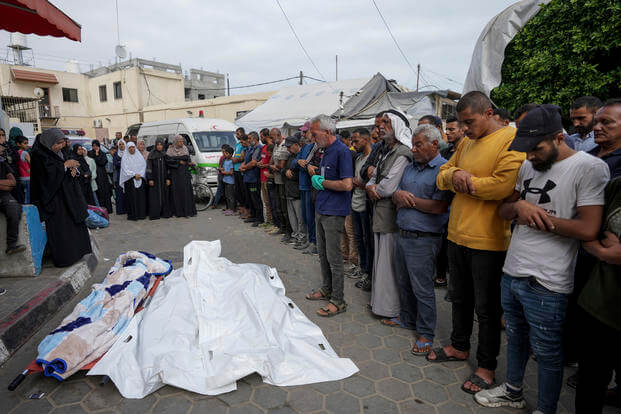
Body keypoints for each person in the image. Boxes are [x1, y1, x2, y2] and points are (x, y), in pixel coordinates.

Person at [474, 104, 609, 413]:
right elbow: (504, 210)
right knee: (517, 340)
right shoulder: (527, 166)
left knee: (548, 354)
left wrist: (534, 216)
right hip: (514, 269)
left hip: (549, 280)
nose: (531, 156)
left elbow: (589, 228)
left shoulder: (589, 168)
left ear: (559, 138)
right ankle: (512, 391)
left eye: (536, 149)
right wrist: (519, 208)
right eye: (527, 150)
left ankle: (546, 408)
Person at [431, 91, 526, 394]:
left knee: (486, 309)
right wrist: (457, 173)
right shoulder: (466, 142)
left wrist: (466, 183)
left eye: (469, 122)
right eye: (461, 123)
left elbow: (503, 186)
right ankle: (459, 346)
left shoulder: (511, 139)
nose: (465, 128)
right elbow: (441, 176)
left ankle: (486, 366)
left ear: (488, 113)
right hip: (457, 234)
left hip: (490, 241)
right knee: (458, 298)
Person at [393, 124, 451, 355]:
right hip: (404, 233)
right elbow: (398, 193)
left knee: (422, 288)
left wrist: (410, 200)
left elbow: (439, 206)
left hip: (424, 238)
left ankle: (426, 333)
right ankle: (407, 319)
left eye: (418, 145)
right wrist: (398, 195)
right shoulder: (411, 167)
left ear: (434, 145)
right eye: (413, 144)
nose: (414, 149)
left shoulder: (443, 170)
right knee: (404, 282)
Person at [576, 176, 621, 413]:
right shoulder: (616, 186)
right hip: (599, 303)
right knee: (591, 379)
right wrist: (607, 254)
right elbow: (588, 231)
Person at [366, 111, 413, 323]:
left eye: (387, 122)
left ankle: (390, 308)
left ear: (397, 125)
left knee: (389, 263)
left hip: (391, 216)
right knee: (380, 260)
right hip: (380, 213)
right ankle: (380, 303)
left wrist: (375, 188)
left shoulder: (403, 152)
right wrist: (372, 187)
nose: (381, 126)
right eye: (381, 123)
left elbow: (388, 186)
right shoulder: (387, 150)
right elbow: (372, 179)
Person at [305, 114, 353, 317]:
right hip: (322, 208)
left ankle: (338, 300)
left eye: (314, 134)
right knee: (323, 254)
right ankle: (327, 289)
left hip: (334, 212)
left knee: (334, 258)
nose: (312, 138)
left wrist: (321, 182)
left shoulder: (342, 151)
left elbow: (347, 184)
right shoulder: (325, 150)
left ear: (326, 131)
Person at [30, 128, 91, 267]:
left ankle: (78, 253)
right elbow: (44, 179)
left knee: (75, 227)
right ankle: (65, 259)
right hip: (54, 200)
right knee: (62, 230)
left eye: (62, 143)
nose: (60, 146)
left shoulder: (60, 152)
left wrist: (73, 171)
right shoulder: (39, 155)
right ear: (49, 142)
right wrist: (64, 166)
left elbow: (64, 168)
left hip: (68, 197)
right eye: (57, 143)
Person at [437, 116, 466, 289]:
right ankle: (441, 276)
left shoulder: (467, 152)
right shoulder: (446, 152)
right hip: (444, 203)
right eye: (446, 129)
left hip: (460, 206)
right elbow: (441, 176)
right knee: (443, 245)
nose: (447, 133)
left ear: (462, 130)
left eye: (452, 129)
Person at [350, 128, 374, 289]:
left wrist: (361, 184)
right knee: (359, 238)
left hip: (366, 206)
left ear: (366, 140)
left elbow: (378, 184)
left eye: (356, 141)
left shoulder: (372, 160)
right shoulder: (358, 158)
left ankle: (368, 273)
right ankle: (362, 267)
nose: (353, 144)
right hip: (355, 204)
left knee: (367, 240)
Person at [0, 143, 25, 255]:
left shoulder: (3, 164)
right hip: (4, 193)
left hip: (4, 195)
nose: (2, 149)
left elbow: (13, 182)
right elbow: (8, 183)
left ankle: (11, 245)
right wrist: (5, 184)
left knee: (14, 209)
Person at [166, 135, 196, 218]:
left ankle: (187, 211)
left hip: (184, 174)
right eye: (179, 141)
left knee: (186, 192)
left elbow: (187, 159)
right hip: (175, 175)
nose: (181, 143)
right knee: (176, 193)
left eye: (182, 141)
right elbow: (169, 161)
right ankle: (178, 212)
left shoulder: (185, 148)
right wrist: (179, 162)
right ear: (175, 141)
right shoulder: (170, 150)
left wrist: (177, 159)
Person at [271, 128, 292, 241]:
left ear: (278, 135)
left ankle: (289, 231)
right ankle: (282, 227)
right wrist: (273, 166)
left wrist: (275, 166)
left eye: (272, 137)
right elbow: (273, 161)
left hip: (284, 180)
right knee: (279, 206)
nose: (272, 139)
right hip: (277, 179)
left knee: (284, 208)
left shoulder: (284, 146)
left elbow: (281, 165)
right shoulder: (276, 146)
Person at [284, 134, 306, 246]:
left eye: (289, 146)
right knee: (292, 217)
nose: (288, 149)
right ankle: (295, 235)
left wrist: (290, 174)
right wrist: (286, 171)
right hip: (289, 190)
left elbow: (301, 174)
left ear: (297, 145)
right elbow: (284, 169)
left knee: (300, 217)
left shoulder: (302, 155)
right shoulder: (290, 156)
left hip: (297, 191)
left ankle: (301, 238)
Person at [240, 131, 263, 226]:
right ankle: (253, 215)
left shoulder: (258, 148)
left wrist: (244, 167)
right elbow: (245, 161)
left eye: (249, 138)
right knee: (250, 198)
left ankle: (259, 218)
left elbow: (253, 163)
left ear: (255, 138)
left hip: (254, 179)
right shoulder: (251, 148)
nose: (248, 140)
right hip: (247, 178)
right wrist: (242, 166)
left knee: (255, 198)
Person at [120, 142, 147, 221]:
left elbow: (143, 166)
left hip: (140, 178)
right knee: (132, 198)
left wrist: (140, 174)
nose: (132, 149)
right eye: (130, 148)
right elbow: (125, 169)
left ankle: (141, 214)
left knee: (140, 198)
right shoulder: (125, 157)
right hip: (130, 180)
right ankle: (133, 215)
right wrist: (134, 175)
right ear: (127, 149)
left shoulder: (139, 156)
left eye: (133, 147)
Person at [146, 139, 172, 220]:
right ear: (155, 145)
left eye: (161, 145)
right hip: (155, 180)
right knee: (155, 197)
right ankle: (155, 214)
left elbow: (168, 168)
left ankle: (165, 213)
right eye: (158, 145)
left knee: (164, 196)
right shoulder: (151, 155)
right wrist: (150, 179)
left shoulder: (165, 155)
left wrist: (168, 178)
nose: (159, 146)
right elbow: (149, 168)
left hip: (164, 180)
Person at [87, 140, 113, 213]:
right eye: (93, 146)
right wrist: (95, 155)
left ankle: (107, 209)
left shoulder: (103, 153)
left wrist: (97, 155)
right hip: (95, 175)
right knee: (98, 192)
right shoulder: (89, 153)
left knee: (104, 191)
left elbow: (102, 162)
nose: (95, 147)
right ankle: (99, 209)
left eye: (96, 146)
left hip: (102, 175)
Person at [257, 128, 274, 227]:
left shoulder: (271, 147)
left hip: (268, 177)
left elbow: (272, 162)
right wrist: (260, 163)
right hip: (262, 177)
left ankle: (272, 222)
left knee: (270, 201)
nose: (261, 138)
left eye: (262, 136)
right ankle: (268, 220)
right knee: (266, 201)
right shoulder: (263, 148)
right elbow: (263, 159)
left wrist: (266, 165)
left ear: (266, 136)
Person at [232, 131, 248, 217]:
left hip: (241, 170)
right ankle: (241, 209)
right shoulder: (237, 144)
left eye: (238, 134)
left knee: (243, 191)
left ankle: (246, 210)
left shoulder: (244, 145)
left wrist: (236, 160)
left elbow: (242, 158)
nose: (237, 135)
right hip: (235, 169)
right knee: (238, 191)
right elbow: (235, 155)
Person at [221, 146, 236, 215]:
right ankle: (229, 208)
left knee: (231, 196)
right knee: (227, 195)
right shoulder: (225, 160)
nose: (225, 154)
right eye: (225, 153)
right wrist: (221, 170)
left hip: (230, 181)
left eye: (227, 153)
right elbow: (223, 168)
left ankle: (232, 209)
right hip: (225, 180)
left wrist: (224, 172)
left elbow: (231, 172)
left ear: (231, 154)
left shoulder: (231, 161)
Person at [113, 139, 126, 214]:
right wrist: (122, 162)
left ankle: (127, 209)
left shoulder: (127, 153)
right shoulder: (116, 154)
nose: (121, 146)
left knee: (126, 192)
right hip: (119, 175)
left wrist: (120, 162)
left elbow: (129, 163)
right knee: (119, 192)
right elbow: (115, 164)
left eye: (123, 144)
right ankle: (121, 210)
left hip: (126, 175)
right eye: (120, 144)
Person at [15, 136, 31, 204]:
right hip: (27, 177)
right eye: (25, 143)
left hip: (20, 177)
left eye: (27, 143)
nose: (27, 145)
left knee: (23, 195)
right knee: (28, 197)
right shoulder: (25, 153)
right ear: (19, 144)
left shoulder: (16, 152)